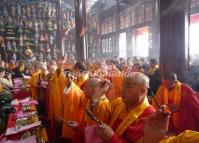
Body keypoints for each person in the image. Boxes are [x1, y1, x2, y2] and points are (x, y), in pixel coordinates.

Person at [83, 72, 155, 143]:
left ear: (142, 91)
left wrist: (112, 137)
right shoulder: (119, 103)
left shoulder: (150, 116)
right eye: (123, 85)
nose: (123, 90)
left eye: (128, 86)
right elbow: (101, 115)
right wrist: (96, 96)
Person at [62, 77, 111, 142]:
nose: (83, 89)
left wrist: (79, 128)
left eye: (86, 87)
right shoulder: (90, 99)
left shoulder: (103, 104)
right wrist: (78, 126)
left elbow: (96, 131)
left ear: (94, 89)